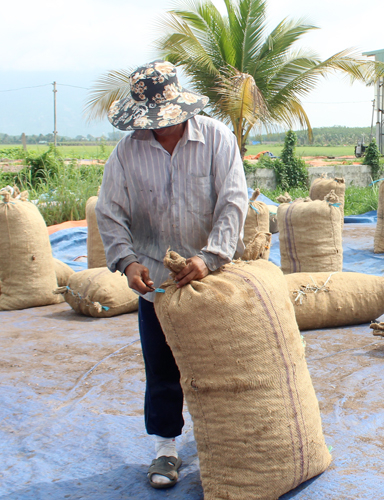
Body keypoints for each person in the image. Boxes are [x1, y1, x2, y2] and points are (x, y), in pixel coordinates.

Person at [95, 60, 248, 489]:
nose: (160, 128)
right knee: (162, 369)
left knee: (220, 366)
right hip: (157, 286)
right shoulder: (127, 152)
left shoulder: (216, 138)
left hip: (211, 280)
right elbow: (110, 212)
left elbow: (233, 202)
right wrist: (127, 262)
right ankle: (165, 450)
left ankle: (228, 442)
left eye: (166, 119)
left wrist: (210, 256)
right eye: (152, 122)